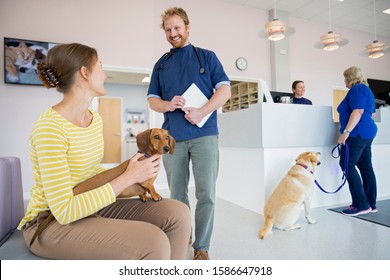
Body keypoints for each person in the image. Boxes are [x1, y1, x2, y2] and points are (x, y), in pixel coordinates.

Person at [17, 43, 191, 260]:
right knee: (153, 241)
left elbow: (92, 173)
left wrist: (134, 174)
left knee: (178, 213)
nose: (105, 73)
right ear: (84, 73)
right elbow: (64, 210)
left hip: (87, 204)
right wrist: (127, 176)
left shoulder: (94, 119)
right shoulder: (49, 128)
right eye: (100, 66)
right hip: (49, 221)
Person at [147, 7, 231, 260]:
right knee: (177, 194)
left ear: (187, 27)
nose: (173, 33)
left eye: (177, 28)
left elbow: (225, 91)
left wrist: (202, 110)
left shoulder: (207, 57)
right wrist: (168, 105)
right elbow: (152, 100)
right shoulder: (161, 65)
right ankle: (184, 235)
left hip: (205, 134)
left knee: (206, 192)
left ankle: (202, 246)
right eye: (168, 29)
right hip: (172, 139)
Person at [337, 66, 378, 216]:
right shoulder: (366, 90)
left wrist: (346, 133)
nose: (344, 81)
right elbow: (368, 113)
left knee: (347, 165)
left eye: (345, 77)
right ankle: (370, 204)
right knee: (366, 166)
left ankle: (361, 204)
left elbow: (358, 111)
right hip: (367, 131)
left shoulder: (357, 89)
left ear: (350, 77)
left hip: (357, 132)